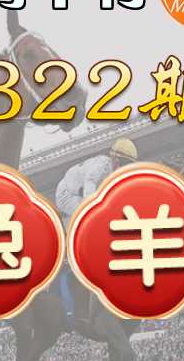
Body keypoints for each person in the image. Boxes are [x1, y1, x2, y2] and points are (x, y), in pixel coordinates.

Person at [54, 138, 138, 330]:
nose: (125, 169)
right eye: (124, 163)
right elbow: (89, 189)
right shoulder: (100, 165)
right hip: (67, 195)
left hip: (80, 192)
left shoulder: (116, 175)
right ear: (114, 159)